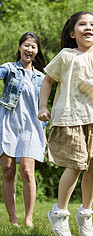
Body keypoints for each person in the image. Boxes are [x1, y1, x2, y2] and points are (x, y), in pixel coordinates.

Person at [38, 11, 93, 236]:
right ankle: (59, 213)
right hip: (71, 117)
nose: (88, 27)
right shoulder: (66, 56)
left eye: (92, 24)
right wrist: (43, 107)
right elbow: (47, 80)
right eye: (82, 24)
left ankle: (85, 214)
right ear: (72, 33)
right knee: (76, 165)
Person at [0, 32, 47, 228]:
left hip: (31, 126)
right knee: (8, 171)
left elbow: (42, 105)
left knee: (28, 172)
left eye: (33, 46)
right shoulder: (9, 68)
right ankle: (13, 219)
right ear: (20, 47)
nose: (29, 49)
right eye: (26, 45)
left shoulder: (41, 77)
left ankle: (29, 218)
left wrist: (43, 129)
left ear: (37, 51)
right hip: (9, 122)